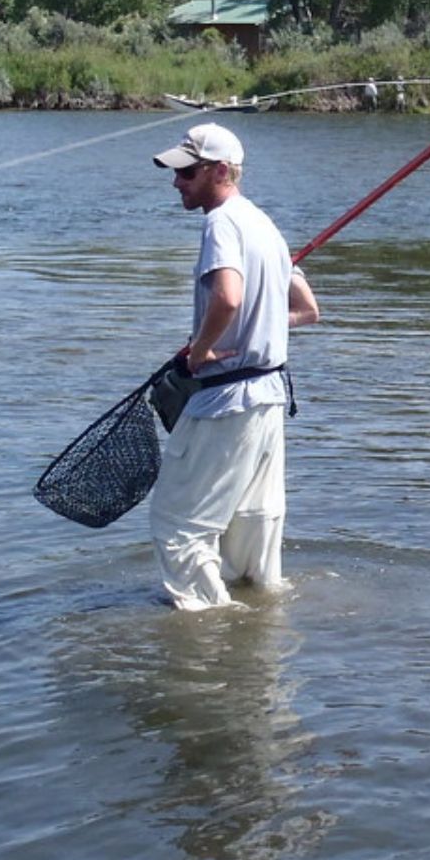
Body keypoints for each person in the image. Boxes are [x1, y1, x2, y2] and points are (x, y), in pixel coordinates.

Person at [148, 122, 320, 610]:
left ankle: (210, 625)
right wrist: (259, 321)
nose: (177, 183)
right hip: (267, 400)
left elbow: (228, 296)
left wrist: (201, 348)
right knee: (253, 526)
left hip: (227, 400)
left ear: (220, 171)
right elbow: (308, 310)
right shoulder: (264, 223)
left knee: (176, 525)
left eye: (187, 173)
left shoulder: (221, 222)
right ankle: (260, 631)